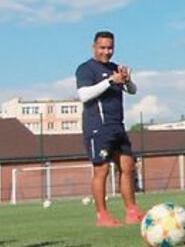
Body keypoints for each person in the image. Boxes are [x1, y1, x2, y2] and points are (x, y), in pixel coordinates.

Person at [75, 31, 143, 226]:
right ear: (94, 47)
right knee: (101, 170)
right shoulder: (85, 69)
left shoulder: (115, 68)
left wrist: (127, 80)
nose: (107, 51)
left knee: (128, 166)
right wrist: (110, 81)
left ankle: (132, 211)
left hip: (117, 126)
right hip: (98, 128)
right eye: (103, 48)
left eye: (110, 48)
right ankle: (102, 215)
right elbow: (84, 95)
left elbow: (133, 91)